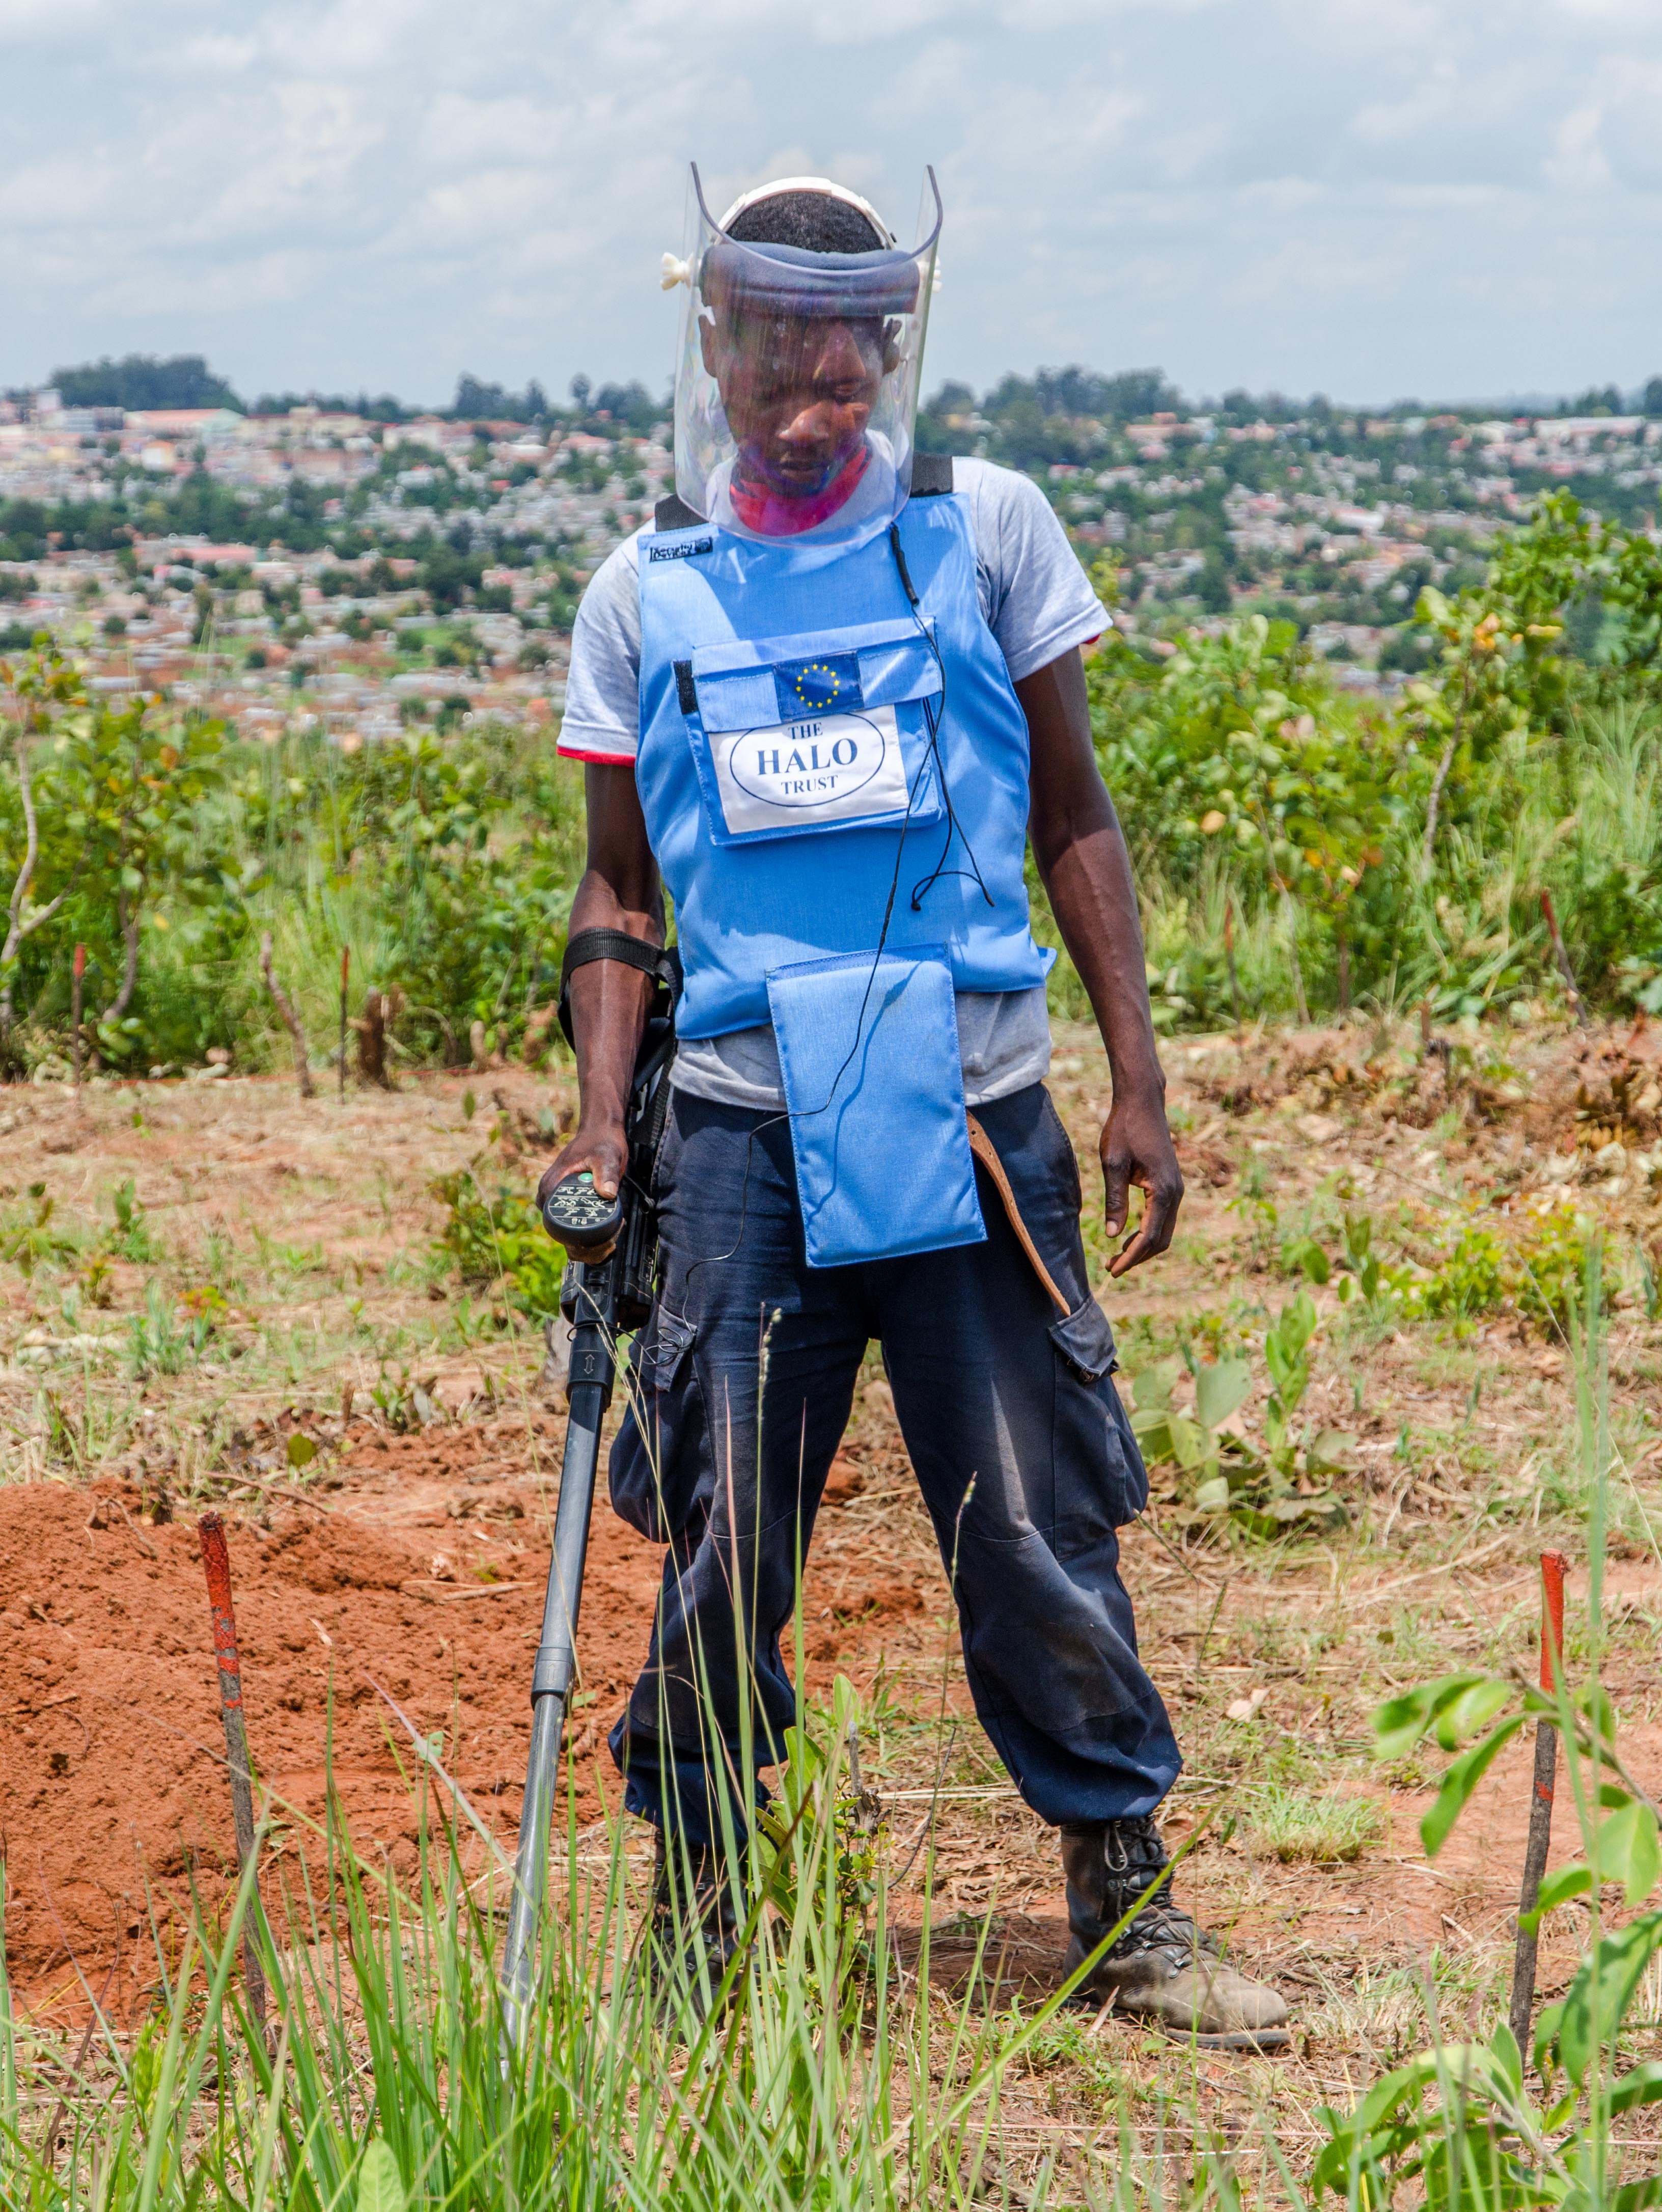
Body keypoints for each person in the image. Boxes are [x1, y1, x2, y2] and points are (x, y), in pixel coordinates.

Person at [540, 169, 1288, 2048]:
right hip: (739, 1139)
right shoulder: (649, 589)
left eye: (850, 339)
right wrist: (597, 1125)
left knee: (1031, 1521)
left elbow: (1074, 808)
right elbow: (620, 894)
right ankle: (704, 1913)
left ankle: (1126, 1905)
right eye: (777, 337)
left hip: (969, 1121)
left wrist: (1136, 1075)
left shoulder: (986, 530)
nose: (816, 378)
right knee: (726, 1539)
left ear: (890, 345)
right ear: (714, 343)